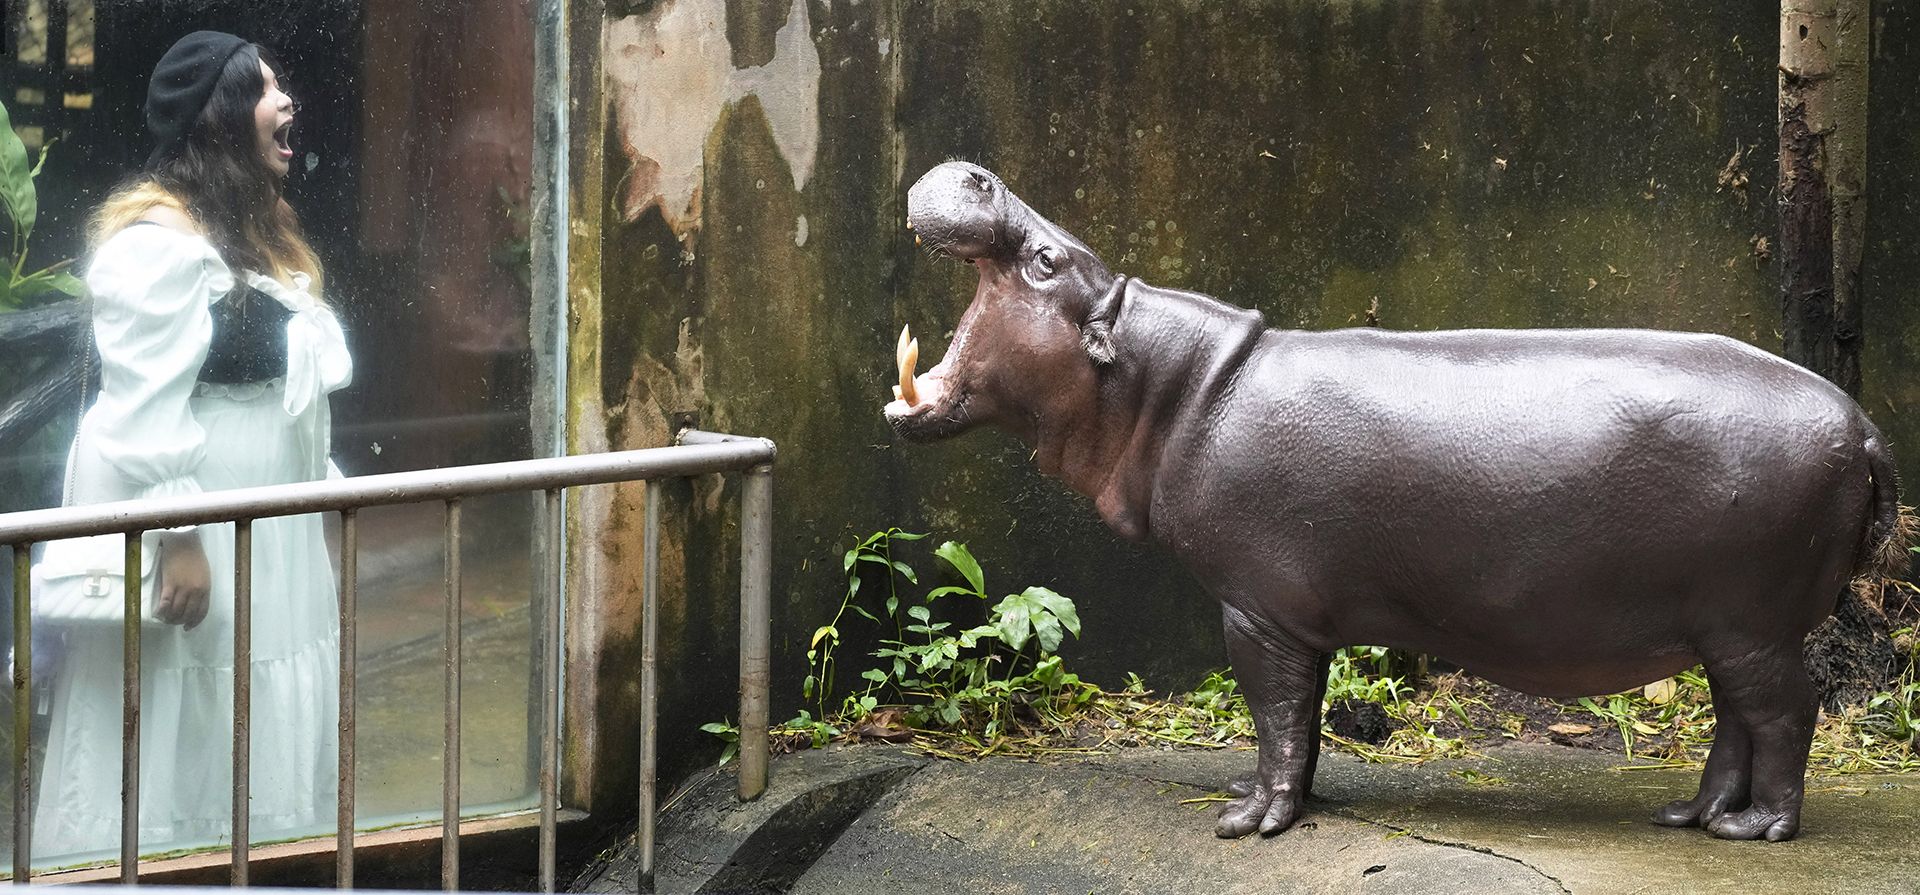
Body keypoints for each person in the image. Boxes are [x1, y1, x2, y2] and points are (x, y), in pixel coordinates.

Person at [33, 30, 350, 863]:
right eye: (265, 89)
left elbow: (284, 386)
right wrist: (178, 535)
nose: (287, 104)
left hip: (264, 536)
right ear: (219, 119)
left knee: (244, 708)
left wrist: (321, 487)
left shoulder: (254, 230)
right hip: (197, 526)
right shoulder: (156, 243)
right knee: (178, 706)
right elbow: (139, 400)